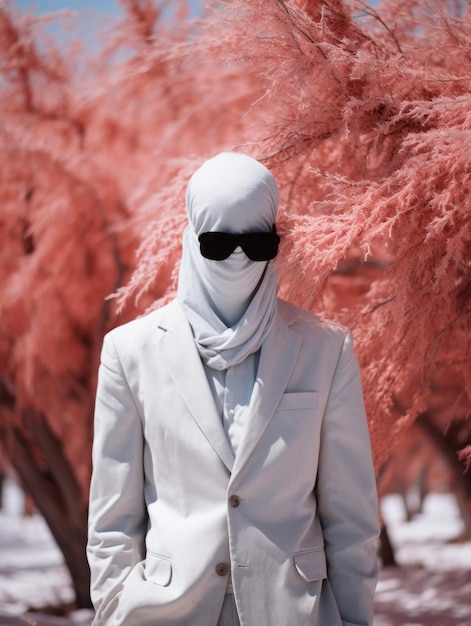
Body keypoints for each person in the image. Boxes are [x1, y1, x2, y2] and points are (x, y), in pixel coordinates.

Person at [87, 152, 380, 626]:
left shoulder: (326, 349)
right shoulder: (129, 351)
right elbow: (111, 520)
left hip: (294, 612)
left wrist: (352, 619)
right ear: (192, 237)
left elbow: (352, 515)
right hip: (166, 613)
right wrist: (116, 608)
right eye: (220, 243)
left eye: (258, 243)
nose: (239, 258)